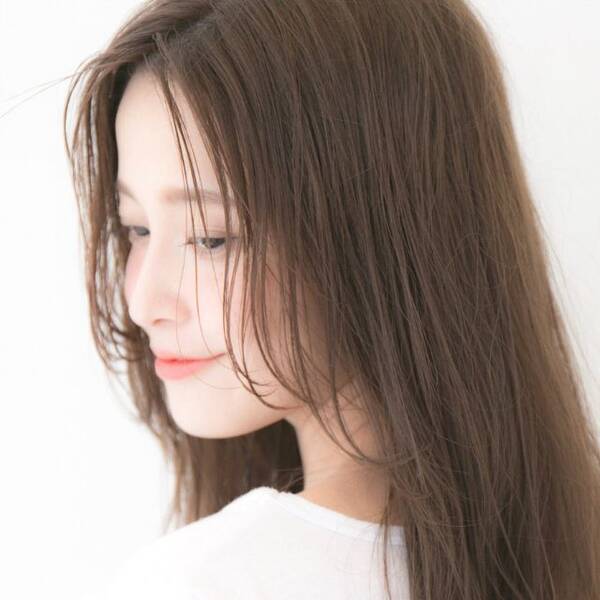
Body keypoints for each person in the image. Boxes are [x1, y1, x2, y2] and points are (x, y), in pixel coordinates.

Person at [64, 1, 600, 599]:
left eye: (212, 238)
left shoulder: (203, 581)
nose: (142, 301)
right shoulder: (571, 549)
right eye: (137, 229)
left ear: (377, 232)